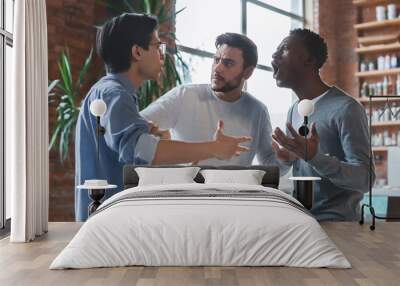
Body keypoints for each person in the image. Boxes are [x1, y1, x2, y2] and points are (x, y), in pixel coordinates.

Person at [75, 13, 251, 221]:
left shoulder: (112, 93)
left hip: (111, 216)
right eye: (157, 46)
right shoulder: (115, 94)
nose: (162, 54)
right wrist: (215, 148)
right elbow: (142, 151)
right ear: (137, 51)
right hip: (109, 221)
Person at [141, 33, 288, 172]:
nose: (217, 68)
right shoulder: (184, 95)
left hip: (233, 195)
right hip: (187, 193)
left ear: (247, 72)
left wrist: (286, 159)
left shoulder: (258, 111)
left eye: (228, 63)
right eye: (216, 60)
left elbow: (269, 162)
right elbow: (131, 130)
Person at [270, 28, 375, 221]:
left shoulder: (346, 109)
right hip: (303, 222)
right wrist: (287, 159)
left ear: (309, 60)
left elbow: (365, 179)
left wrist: (315, 157)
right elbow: (299, 165)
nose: (274, 55)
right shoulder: (293, 110)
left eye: (283, 49)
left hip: (338, 227)